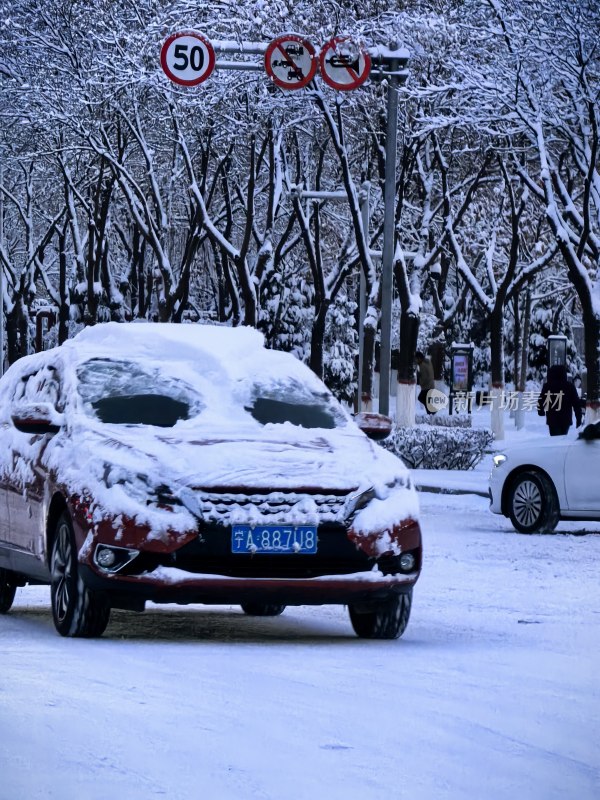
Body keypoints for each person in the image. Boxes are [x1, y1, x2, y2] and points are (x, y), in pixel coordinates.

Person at [537, 363, 583, 436]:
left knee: (555, 438)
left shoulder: (548, 386)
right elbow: (576, 403)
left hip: (552, 418)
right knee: (563, 437)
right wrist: (579, 419)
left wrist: (541, 411)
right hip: (566, 418)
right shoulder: (569, 386)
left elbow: (541, 400)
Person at [415, 350, 435, 414]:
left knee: (421, 398)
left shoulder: (422, 365)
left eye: (416, 359)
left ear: (419, 358)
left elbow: (424, 377)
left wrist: (419, 381)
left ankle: (431, 412)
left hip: (427, 386)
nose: (416, 361)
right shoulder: (428, 362)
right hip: (431, 385)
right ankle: (431, 412)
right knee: (426, 400)